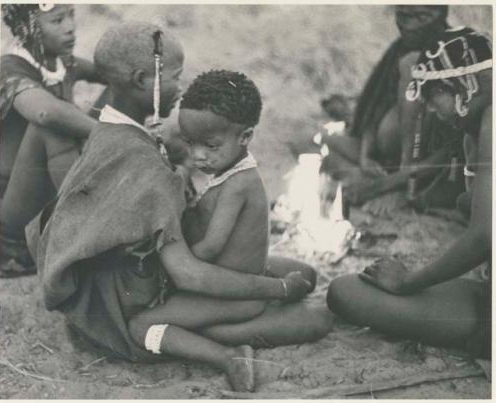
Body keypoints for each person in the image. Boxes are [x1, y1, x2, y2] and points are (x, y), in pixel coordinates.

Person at [26, 22, 333, 392]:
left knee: (304, 274)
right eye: (174, 76)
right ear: (143, 80)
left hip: (133, 275)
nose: (180, 86)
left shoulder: (108, 128)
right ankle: (219, 337)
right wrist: (277, 290)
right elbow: (187, 275)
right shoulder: (141, 163)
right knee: (312, 319)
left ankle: (222, 315)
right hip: (125, 305)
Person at [327, 27, 492, 359]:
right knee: (345, 290)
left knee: (346, 293)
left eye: (433, 97)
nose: (430, 110)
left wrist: (409, 282)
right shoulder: (473, 130)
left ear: (462, 86)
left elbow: (484, 236)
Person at [180, 69, 317, 292]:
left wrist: (177, 262)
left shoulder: (238, 184)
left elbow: (211, 247)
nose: (197, 155)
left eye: (210, 146)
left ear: (244, 137)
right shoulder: (227, 171)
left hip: (236, 289)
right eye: (189, 143)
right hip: (237, 274)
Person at [319, 5, 465, 211]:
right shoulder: (398, 49)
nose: (409, 26)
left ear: (441, 14)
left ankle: (403, 187)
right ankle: (389, 177)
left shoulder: (454, 54)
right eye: (403, 16)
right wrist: (366, 155)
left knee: (411, 63)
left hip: (420, 165)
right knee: (326, 141)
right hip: (386, 158)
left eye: (421, 16)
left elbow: (452, 150)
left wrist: (387, 184)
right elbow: (376, 108)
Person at [0, 4, 105, 276]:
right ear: (29, 27)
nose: (70, 26)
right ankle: (87, 230)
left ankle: (101, 213)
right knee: (52, 125)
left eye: (71, 14)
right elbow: (45, 113)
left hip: (47, 193)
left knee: (124, 89)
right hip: (10, 215)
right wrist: (116, 134)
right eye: (57, 20)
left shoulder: (61, 61)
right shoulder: (9, 68)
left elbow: (115, 73)